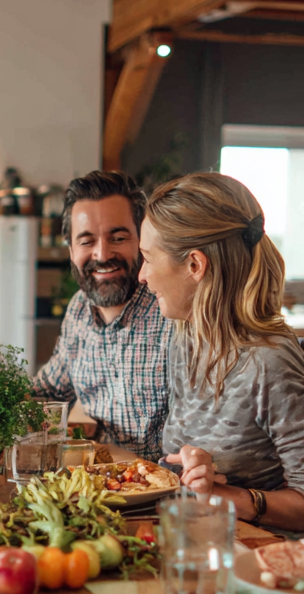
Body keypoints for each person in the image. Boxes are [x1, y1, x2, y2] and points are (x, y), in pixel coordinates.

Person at [139, 172, 304, 530]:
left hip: (254, 556)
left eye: (148, 258)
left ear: (195, 266)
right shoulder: (184, 332)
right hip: (189, 532)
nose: (142, 275)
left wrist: (232, 498)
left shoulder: (268, 361)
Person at [31, 170, 172, 459]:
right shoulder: (79, 308)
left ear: (141, 240)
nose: (102, 254)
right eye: (86, 241)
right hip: (105, 483)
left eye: (118, 237)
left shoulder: (172, 306)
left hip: (171, 491)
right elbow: (50, 392)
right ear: (71, 250)